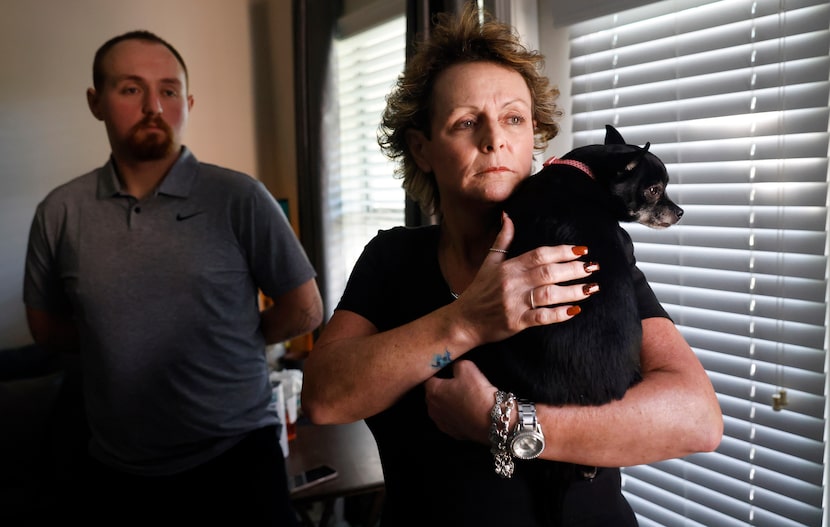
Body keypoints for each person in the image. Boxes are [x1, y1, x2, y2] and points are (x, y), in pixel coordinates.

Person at [301, 5, 722, 527]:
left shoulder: (593, 250)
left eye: (514, 119)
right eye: (466, 122)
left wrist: (502, 423)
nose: (494, 139)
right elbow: (323, 399)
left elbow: (697, 419)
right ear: (423, 149)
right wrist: (467, 322)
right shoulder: (392, 260)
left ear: (533, 141)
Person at [23, 30, 322, 526]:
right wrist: (117, 337)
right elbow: (45, 327)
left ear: (188, 101)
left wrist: (233, 337)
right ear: (96, 102)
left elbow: (306, 307)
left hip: (237, 462)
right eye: (130, 89)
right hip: (118, 474)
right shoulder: (60, 212)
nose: (153, 107)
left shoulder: (239, 197)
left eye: (167, 90)